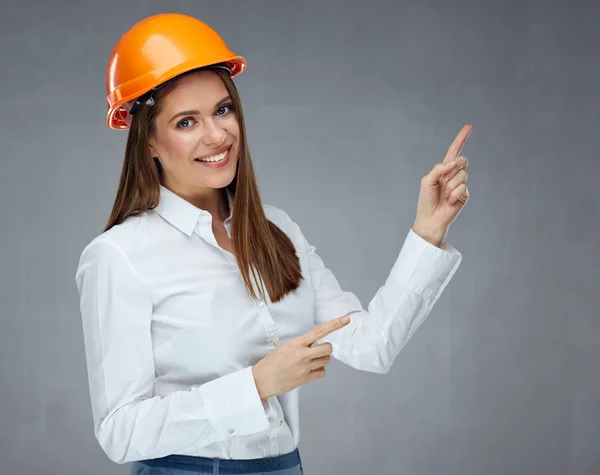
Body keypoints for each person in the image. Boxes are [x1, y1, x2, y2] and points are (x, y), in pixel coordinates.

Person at [75, 12, 471, 475]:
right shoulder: (119, 257)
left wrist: (428, 230)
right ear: (149, 143)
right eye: (187, 122)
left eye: (223, 109)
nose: (217, 134)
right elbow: (121, 431)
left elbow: (371, 344)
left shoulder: (276, 229)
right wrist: (257, 385)